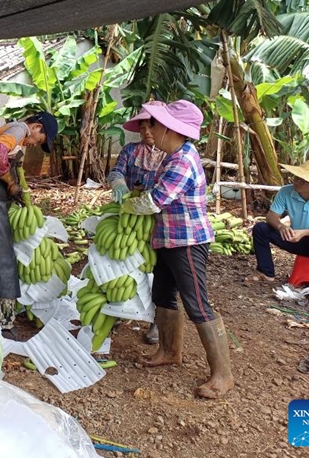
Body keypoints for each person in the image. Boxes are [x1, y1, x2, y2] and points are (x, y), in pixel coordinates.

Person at [120, 100, 233, 399]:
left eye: (154, 124)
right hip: (168, 239)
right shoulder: (170, 157)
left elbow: (155, 201)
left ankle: (223, 374)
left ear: (169, 128)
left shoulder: (183, 159)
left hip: (188, 241)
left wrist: (125, 205)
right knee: (163, 296)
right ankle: (169, 351)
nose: (150, 129)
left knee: (197, 302)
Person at [0, 112, 58, 332]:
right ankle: (4, 317)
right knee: (1, 253)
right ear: (36, 127)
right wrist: (10, 183)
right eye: (39, 140)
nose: (35, 144)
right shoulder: (19, 130)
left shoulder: (11, 130)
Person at [109, 106, 166, 344]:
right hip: (129, 215)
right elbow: (116, 172)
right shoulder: (131, 151)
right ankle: (118, 310)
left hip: (157, 217)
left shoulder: (169, 153)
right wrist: (120, 185)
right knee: (121, 264)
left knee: (155, 270)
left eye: (149, 126)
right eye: (141, 127)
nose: (145, 131)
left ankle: (156, 321)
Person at [247, 159, 309, 288]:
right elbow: (271, 216)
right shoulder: (286, 191)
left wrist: (305, 232)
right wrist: (281, 226)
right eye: (297, 177)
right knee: (261, 228)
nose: (298, 182)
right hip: (294, 239)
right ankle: (266, 272)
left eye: (303, 180)